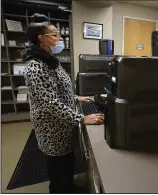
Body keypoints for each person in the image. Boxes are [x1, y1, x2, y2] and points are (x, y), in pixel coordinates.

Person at [22, 13, 104, 193]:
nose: (59, 38)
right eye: (54, 35)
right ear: (41, 38)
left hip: (62, 123)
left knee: (66, 162)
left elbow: (59, 89)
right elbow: (49, 102)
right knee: (58, 166)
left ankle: (67, 186)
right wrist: (81, 118)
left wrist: (75, 98)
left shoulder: (48, 59)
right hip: (52, 127)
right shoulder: (36, 66)